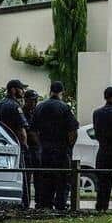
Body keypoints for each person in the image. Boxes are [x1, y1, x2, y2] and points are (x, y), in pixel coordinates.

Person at [32, 81, 79, 210]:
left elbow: (33, 131)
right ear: (61, 92)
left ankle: (46, 206)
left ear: (50, 91)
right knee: (62, 182)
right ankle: (60, 206)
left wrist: (40, 145)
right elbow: (72, 131)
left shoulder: (39, 107)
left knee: (46, 181)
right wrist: (69, 147)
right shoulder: (64, 108)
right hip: (61, 151)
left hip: (45, 152)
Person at [0, 80, 30, 207]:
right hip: (15, 146)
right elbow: (21, 130)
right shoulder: (15, 106)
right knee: (22, 177)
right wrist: (25, 145)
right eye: (21, 89)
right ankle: (24, 204)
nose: (23, 92)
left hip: (1, 145)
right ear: (13, 90)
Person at [23, 89, 41, 205]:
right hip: (29, 148)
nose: (34, 103)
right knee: (27, 179)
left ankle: (39, 202)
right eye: (32, 101)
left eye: (35, 101)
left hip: (36, 149)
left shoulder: (36, 113)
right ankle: (26, 203)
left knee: (39, 178)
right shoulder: (22, 113)